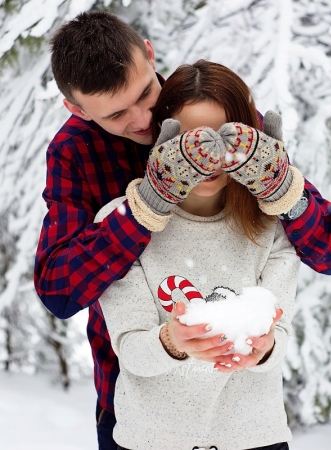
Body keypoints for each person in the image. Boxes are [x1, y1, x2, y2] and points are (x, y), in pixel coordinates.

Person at [33, 10, 331, 450]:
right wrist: (146, 209)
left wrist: (282, 189)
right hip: (137, 405)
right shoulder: (75, 153)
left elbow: (329, 252)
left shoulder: (204, 108)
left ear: (149, 52)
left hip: (243, 413)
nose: (144, 119)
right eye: (117, 114)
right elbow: (59, 290)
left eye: (145, 93)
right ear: (77, 109)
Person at [94, 59, 301, 450]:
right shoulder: (121, 223)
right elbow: (131, 349)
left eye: (224, 140)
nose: (207, 157)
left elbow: (281, 337)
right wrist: (173, 340)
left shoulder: (272, 225)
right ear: (163, 140)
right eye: (192, 140)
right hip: (149, 441)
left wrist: (264, 348)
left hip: (255, 438)